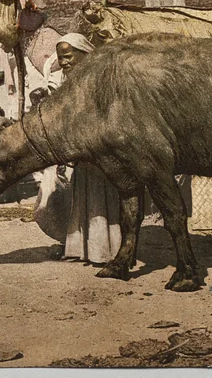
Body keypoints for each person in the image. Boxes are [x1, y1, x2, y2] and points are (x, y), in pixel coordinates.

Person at [44, 35, 123, 267]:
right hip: (78, 149)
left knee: (101, 199)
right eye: (61, 58)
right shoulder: (66, 80)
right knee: (81, 196)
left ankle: (104, 251)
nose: (65, 62)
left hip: (98, 147)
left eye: (68, 56)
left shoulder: (101, 79)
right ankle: (81, 247)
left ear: (85, 53)